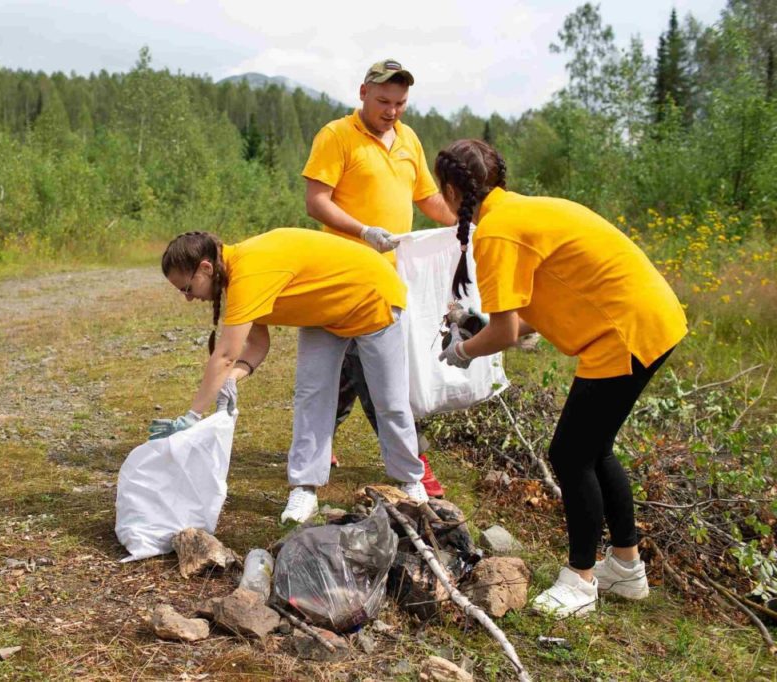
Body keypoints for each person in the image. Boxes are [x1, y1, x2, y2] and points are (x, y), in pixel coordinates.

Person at [433, 139, 687, 618]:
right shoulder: (523, 212)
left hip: (624, 332)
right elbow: (538, 304)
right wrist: (491, 330)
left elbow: (506, 331)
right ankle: (626, 569)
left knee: (570, 455)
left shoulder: (496, 233)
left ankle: (580, 581)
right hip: (649, 319)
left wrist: (463, 349)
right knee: (594, 448)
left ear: (450, 190)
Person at [150, 229, 428, 523]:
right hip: (323, 312)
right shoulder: (238, 278)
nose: (188, 299)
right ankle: (304, 488)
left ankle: (409, 480)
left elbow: (225, 355)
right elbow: (257, 345)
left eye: (187, 288)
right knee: (311, 396)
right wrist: (231, 379)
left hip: (371, 296)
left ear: (205, 268)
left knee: (388, 400)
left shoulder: (249, 272)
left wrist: (192, 416)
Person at [302, 58, 455, 496]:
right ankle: (415, 466)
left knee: (355, 371)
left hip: (390, 280)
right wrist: (363, 231)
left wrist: (465, 227)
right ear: (363, 92)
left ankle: (324, 438)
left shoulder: (408, 138)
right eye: (384, 101)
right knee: (375, 379)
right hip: (340, 275)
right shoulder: (337, 135)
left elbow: (427, 197)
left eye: (401, 103)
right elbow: (317, 201)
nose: (392, 111)